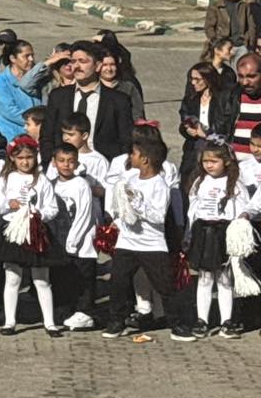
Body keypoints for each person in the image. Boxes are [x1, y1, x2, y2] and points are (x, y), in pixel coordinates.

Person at [103, 131, 185, 340]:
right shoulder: (130, 178)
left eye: (134, 154)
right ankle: (116, 321)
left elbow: (158, 216)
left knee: (164, 285)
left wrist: (138, 204)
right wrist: (118, 219)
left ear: (145, 160)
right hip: (127, 242)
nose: (130, 157)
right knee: (118, 282)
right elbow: (121, 203)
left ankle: (178, 324)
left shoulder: (160, 185)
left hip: (152, 244)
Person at [0, 135, 60, 336]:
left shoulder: (42, 180)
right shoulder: (5, 179)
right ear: (12, 158)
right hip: (13, 232)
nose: (25, 162)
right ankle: (9, 321)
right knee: (13, 278)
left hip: (36, 232)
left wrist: (39, 214)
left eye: (29, 157)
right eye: (20, 158)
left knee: (41, 279)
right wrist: (8, 204)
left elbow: (52, 207)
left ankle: (50, 322)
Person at [180, 141, 247, 340]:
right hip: (203, 232)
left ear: (226, 161)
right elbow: (192, 212)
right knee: (204, 278)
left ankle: (226, 321)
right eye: (205, 161)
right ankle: (202, 320)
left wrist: (238, 238)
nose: (209, 165)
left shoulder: (235, 183)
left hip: (223, 233)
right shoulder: (199, 182)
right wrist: (188, 235)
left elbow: (242, 212)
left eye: (214, 161)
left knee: (224, 279)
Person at [48, 142, 102, 331]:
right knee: (63, 278)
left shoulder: (81, 185)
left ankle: (86, 313)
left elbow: (84, 215)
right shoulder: (51, 185)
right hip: (59, 242)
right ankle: (64, 310)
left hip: (82, 244)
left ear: (77, 163)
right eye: (61, 160)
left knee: (84, 279)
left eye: (70, 161)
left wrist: (72, 242)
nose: (66, 165)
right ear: (54, 162)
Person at [0, 40, 62, 140]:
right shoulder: (1, 81)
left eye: (32, 55)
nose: (31, 59)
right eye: (26, 56)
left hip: (36, 132)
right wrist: (35, 121)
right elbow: (8, 110)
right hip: (12, 133)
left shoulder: (36, 78)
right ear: (13, 58)